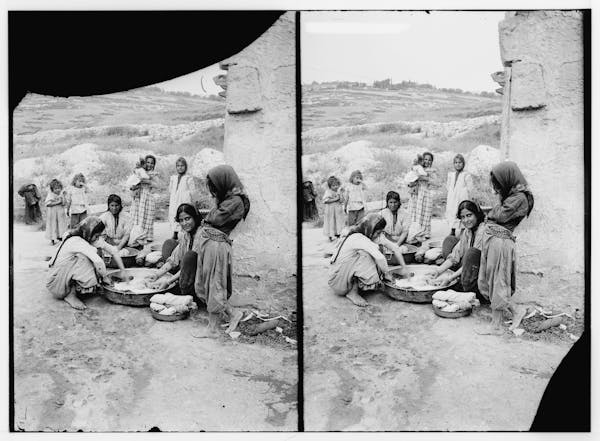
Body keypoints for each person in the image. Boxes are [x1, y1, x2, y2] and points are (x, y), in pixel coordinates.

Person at [151, 165, 250, 336]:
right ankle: (233, 314)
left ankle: (213, 329)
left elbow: (214, 219)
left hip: (217, 247)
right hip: (210, 246)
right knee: (205, 286)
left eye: (214, 185)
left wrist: (206, 220)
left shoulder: (235, 202)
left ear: (223, 181)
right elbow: (209, 220)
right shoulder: (227, 201)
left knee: (214, 286)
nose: (213, 190)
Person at [478, 161, 534, 333]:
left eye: (499, 183)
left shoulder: (520, 198)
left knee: (498, 282)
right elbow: (498, 212)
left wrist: (490, 213)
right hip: (495, 241)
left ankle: (496, 326)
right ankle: (517, 311)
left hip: (501, 244)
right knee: (490, 282)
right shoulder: (512, 196)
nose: (498, 187)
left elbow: (501, 215)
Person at [328, 213, 408, 307]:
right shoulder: (357, 237)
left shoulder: (372, 235)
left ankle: (360, 286)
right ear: (370, 228)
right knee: (366, 255)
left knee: (376, 251)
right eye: (378, 232)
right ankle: (352, 292)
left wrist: (404, 267)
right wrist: (387, 274)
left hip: (345, 276)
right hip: (338, 281)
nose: (379, 235)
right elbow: (380, 258)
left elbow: (395, 248)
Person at [46, 217, 126, 310]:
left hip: (62, 278)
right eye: (96, 236)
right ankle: (70, 294)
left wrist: (123, 271)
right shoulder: (76, 241)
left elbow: (113, 251)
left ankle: (79, 288)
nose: (98, 239)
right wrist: (105, 277)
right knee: (85, 258)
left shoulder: (88, 237)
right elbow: (98, 261)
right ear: (89, 231)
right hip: (57, 284)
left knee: (94, 253)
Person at [427, 200, 485, 299]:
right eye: (463, 217)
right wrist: (438, 271)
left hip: (481, 271)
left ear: (477, 215)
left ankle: (467, 285)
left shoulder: (483, 231)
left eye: (469, 215)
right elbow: (455, 255)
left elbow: (475, 259)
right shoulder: (467, 232)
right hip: (467, 266)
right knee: (449, 240)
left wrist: (450, 278)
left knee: (472, 253)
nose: (466, 220)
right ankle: (459, 276)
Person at [147, 203, 203, 302]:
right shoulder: (186, 235)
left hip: (198, 276)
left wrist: (168, 282)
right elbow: (174, 259)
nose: (184, 223)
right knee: (169, 243)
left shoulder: (201, 235)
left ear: (195, 218)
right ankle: (177, 281)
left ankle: (186, 290)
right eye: (181, 220)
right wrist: (157, 275)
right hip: (184, 271)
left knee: (190, 256)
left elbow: (193, 264)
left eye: (187, 218)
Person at [168, 157, 197, 240]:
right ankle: (175, 233)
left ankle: (186, 234)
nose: (180, 167)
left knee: (183, 215)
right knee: (174, 215)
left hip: (183, 200)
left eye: (182, 165)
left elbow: (193, 192)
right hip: (174, 200)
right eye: (178, 166)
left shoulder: (188, 178)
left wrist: (194, 203)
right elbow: (170, 190)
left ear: (185, 167)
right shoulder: (173, 178)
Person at [408, 151, 436, 239]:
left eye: (429, 160)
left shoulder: (432, 171)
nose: (427, 161)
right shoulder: (418, 169)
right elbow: (410, 179)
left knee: (425, 213)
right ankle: (414, 231)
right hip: (416, 193)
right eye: (425, 159)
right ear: (422, 160)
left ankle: (424, 232)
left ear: (432, 162)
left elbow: (434, 181)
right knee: (415, 212)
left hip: (426, 193)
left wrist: (423, 177)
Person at [130, 154, 157, 244]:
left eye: (152, 163)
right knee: (137, 215)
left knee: (147, 215)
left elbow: (156, 184)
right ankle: (137, 234)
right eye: (148, 162)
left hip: (148, 196)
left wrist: (147, 181)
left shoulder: (153, 174)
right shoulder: (140, 172)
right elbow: (133, 181)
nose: (149, 165)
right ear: (144, 163)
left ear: (154, 165)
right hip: (139, 196)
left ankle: (146, 235)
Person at [445, 154, 473, 236]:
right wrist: (452, 193)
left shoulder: (466, 175)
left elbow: (470, 188)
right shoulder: (451, 175)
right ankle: (452, 230)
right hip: (452, 198)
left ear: (463, 164)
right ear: (453, 164)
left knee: (461, 212)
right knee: (452, 212)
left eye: (460, 162)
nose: (458, 164)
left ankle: (463, 230)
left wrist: (463, 193)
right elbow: (448, 186)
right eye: (456, 162)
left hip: (461, 197)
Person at [45, 179, 68, 245]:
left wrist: (64, 197)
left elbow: (64, 203)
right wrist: (57, 202)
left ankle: (60, 237)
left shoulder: (61, 194)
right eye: (56, 188)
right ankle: (52, 239)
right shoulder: (50, 195)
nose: (58, 190)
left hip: (60, 213)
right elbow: (48, 204)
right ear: (52, 189)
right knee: (53, 225)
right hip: (53, 214)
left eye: (59, 188)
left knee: (61, 225)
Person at [322, 175, 345, 241]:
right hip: (331, 211)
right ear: (330, 186)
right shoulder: (328, 192)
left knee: (338, 222)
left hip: (338, 211)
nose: (336, 187)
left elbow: (342, 201)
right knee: (331, 222)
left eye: (337, 185)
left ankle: (338, 233)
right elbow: (325, 201)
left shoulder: (339, 191)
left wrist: (341, 194)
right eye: (333, 185)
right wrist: (335, 199)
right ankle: (330, 235)